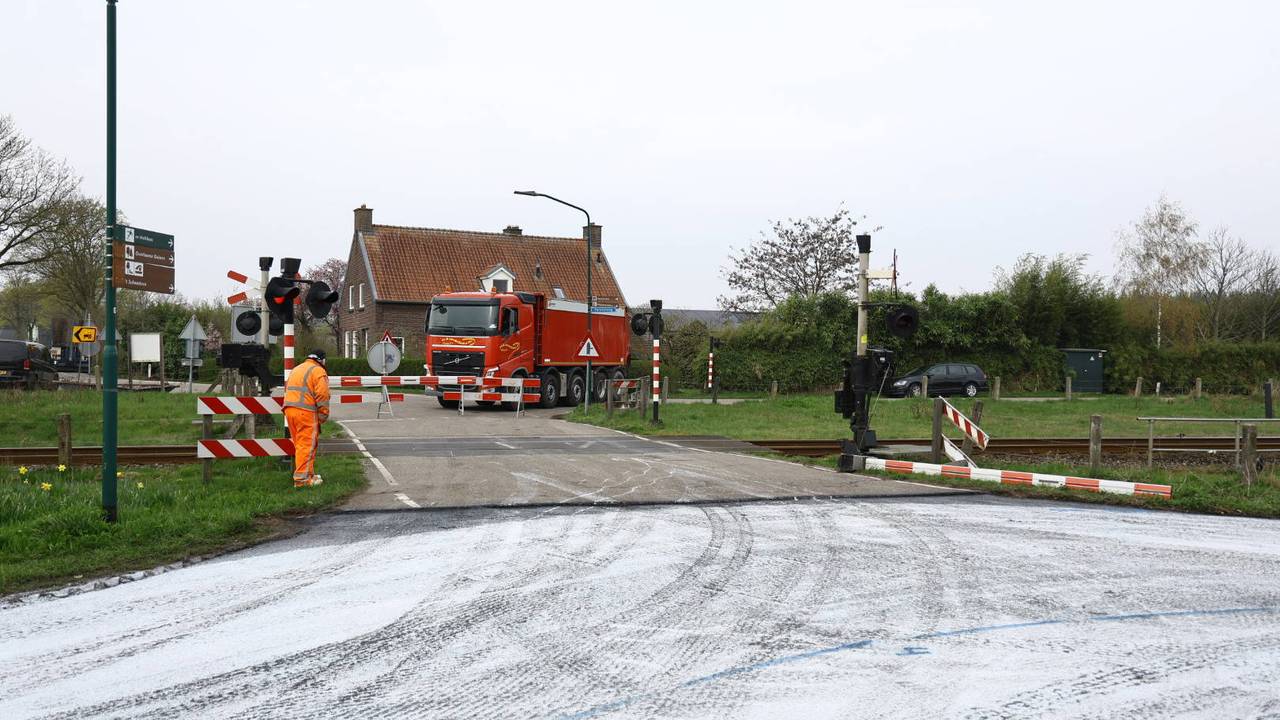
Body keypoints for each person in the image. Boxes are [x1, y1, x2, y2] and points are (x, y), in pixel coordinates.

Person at [282, 350, 330, 487]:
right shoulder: (318, 371)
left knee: (300, 445)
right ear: (322, 360)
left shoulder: (297, 368)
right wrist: (323, 415)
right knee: (307, 445)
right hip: (305, 412)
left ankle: (309, 475)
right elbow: (323, 395)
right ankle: (302, 481)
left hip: (290, 410)